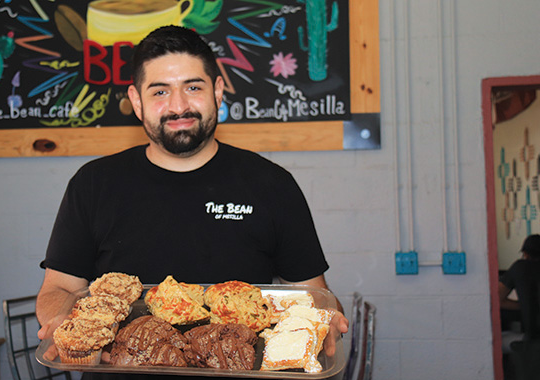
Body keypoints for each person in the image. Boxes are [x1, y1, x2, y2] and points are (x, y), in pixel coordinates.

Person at [36, 25, 349, 379]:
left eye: (193, 87)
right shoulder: (93, 184)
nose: (178, 106)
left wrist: (327, 317)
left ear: (217, 91)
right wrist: (62, 319)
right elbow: (59, 289)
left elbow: (311, 294)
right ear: (136, 101)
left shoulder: (273, 185)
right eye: (159, 92)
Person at [499, 234, 540, 351]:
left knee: (496, 341)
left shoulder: (519, 268)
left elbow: (497, 299)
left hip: (530, 341)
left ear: (525, 253)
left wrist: (525, 305)